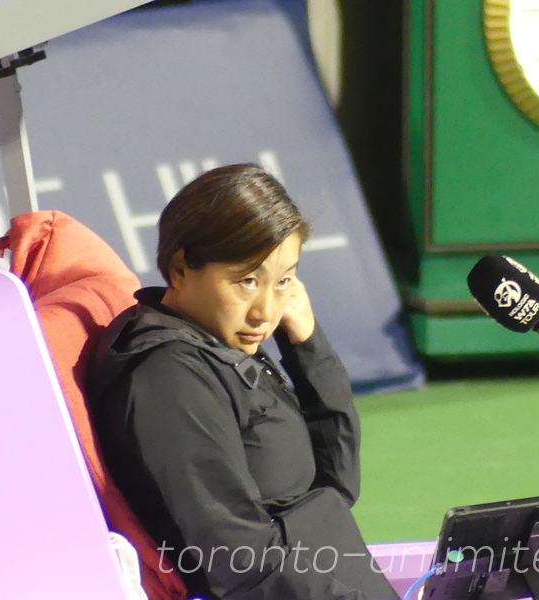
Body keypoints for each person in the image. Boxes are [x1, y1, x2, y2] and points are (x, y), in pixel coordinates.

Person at [88, 164, 399, 600]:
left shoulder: (217, 342)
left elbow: (338, 482)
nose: (266, 312)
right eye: (248, 281)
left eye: (284, 281)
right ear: (180, 269)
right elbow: (240, 562)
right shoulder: (171, 378)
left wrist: (307, 344)